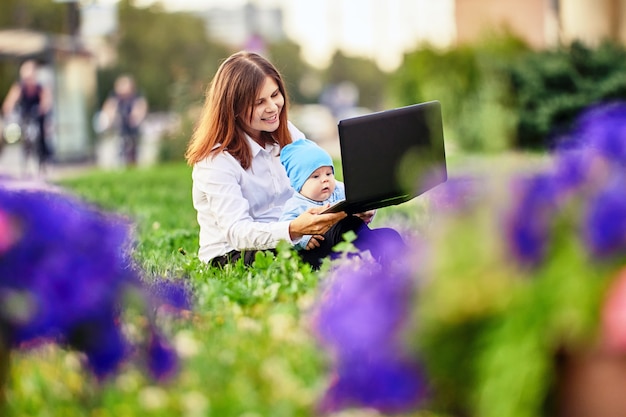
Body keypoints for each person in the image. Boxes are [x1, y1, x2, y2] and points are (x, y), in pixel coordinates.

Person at [185, 51, 348, 267]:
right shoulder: (216, 159)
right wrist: (293, 229)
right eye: (259, 102)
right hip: (235, 254)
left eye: (275, 95)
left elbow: (318, 179)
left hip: (295, 238)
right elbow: (237, 232)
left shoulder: (288, 133)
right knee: (329, 247)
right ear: (234, 107)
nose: (272, 107)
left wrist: (353, 201)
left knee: (364, 231)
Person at [279, 138, 406, 269]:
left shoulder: (339, 190)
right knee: (348, 223)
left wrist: (367, 210)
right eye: (315, 176)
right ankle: (376, 255)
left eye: (329, 173)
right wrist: (304, 240)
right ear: (299, 184)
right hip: (319, 253)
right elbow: (285, 235)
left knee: (389, 234)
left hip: (348, 244)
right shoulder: (295, 205)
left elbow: (361, 201)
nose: (325, 180)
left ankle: (402, 259)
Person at [2, 60, 53, 177]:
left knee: (41, 136)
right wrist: (9, 110)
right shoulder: (20, 87)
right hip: (25, 115)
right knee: (23, 135)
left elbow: (46, 101)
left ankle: (42, 161)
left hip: (37, 115)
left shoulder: (40, 87)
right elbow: (10, 102)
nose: (28, 80)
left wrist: (42, 108)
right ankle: (25, 163)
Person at [100, 75, 148, 166]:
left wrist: (136, 116)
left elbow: (141, 107)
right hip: (120, 127)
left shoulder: (137, 96)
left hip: (133, 127)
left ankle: (133, 163)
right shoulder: (115, 97)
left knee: (134, 146)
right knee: (120, 146)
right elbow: (108, 108)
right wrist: (110, 118)